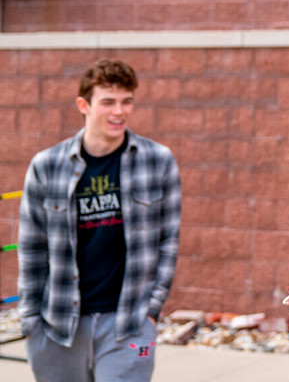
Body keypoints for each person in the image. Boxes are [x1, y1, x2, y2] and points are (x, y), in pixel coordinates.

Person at [18, 59, 181, 382]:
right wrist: (30, 324)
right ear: (84, 105)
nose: (119, 111)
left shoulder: (158, 161)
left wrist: (151, 311)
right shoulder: (46, 166)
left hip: (132, 327)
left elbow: (169, 242)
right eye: (108, 102)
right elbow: (31, 249)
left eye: (126, 101)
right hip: (58, 325)